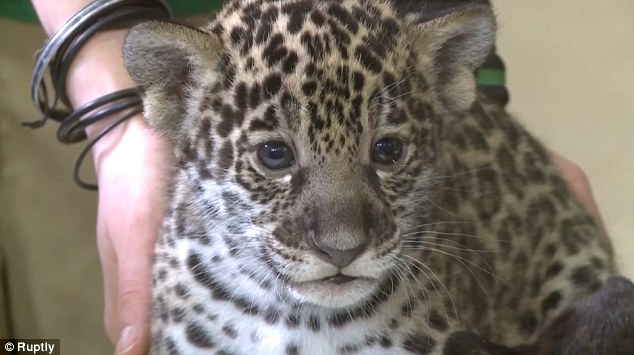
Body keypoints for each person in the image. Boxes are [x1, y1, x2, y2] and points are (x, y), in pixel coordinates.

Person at [0, 1, 608, 355]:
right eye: (271, 156)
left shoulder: (431, 297)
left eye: (388, 149)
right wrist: (96, 48)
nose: (345, 237)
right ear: (179, 92)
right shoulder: (183, 281)